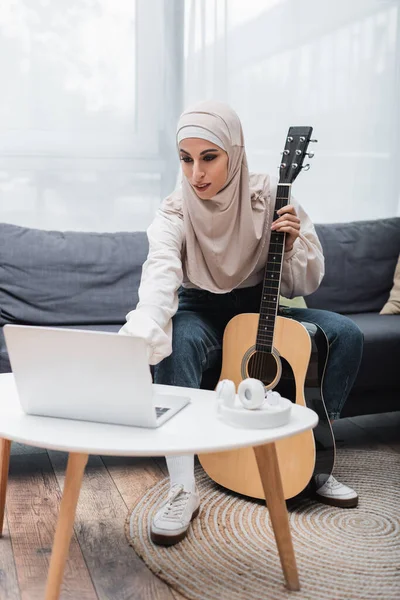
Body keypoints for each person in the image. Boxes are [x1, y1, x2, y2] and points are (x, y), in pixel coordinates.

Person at [119, 101, 363, 546]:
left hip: (259, 305)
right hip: (199, 308)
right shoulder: (174, 210)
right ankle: (181, 488)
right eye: (186, 158)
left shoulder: (269, 192)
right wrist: (138, 338)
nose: (197, 173)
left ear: (235, 151)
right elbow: (159, 276)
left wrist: (290, 246)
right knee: (179, 342)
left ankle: (313, 460)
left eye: (209, 157)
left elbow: (309, 279)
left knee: (344, 333)